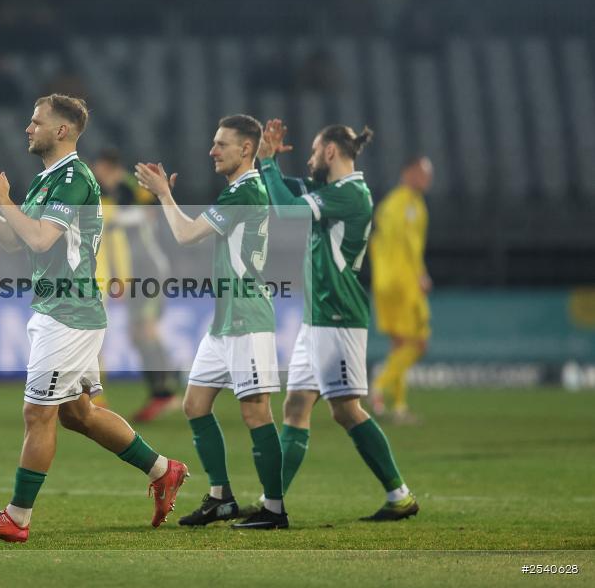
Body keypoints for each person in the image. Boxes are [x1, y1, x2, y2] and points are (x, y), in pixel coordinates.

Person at [0, 94, 188, 543]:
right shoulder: (47, 180)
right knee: (78, 415)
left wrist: (3, 197)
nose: (28, 128)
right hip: (58, 309)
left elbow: (40, 239)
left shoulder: (75, 178)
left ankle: (17, 518)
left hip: (69, 314)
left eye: (36, 121)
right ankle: (163, 470)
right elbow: (16, 240)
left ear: (61, 130)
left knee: (37, 414)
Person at [254, 118, 419, 521]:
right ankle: (271, 505)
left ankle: (400, 495)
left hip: (339, 316)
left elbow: (287, 210)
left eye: (314, 151)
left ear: (330, 151)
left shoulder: (351, 194)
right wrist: (265, 162)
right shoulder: (332, 191)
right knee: (296, 406)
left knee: (346, 410)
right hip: (317, 318)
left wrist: (269, 164)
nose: (310, 159)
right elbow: (287, 190)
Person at [135, 115, 287, 530]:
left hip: (248, 318)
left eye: (222, 144)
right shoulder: (241, 190)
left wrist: (164, 195)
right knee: (195, 404)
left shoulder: (245, 191)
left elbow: (186, 235)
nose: (212, 150)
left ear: (245, 149)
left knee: (256, 413)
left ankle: (275, 509)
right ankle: (221, 498)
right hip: (225, 320)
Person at [91, 149, 180, 422]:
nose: (96, 174)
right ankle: (166, 386)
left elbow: (149, 213)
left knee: (146, 329)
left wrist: (115, 218)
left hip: (149, 269)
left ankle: (166, 392)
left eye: (98, 169)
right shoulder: (111, 194)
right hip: (133, 272)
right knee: (137, 333)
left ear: (107, 167)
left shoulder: (128, 187)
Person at [369, 156, 434, 423]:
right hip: (404, 283)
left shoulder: (389, 204)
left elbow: (377, 242)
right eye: (422, 173)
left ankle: (398, 407)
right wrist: (420, 274)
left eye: (428, 174)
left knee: (399, 344)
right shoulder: (409, 205)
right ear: (407, 172)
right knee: (418, 343)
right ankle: (379, 385)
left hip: (384, 282)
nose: (426, 179)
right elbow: (408, 244)